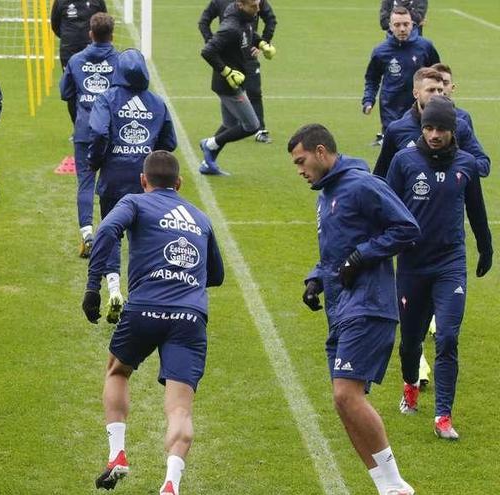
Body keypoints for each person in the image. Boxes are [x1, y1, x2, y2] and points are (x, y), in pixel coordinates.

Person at [83, 151, 224, 495]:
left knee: (117, 370)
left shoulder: (135, 202)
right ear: (179, 183)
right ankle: (171, 484)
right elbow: (216, 275)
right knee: (179, 407)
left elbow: (106, 232)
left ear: (144, 180)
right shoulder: (201, 218)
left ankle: (117, 454)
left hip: (145, 307)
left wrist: (93, 288)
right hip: (190, 317)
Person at [292, 124, 419, 495]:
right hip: (342, 307)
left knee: (347, 395)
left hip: (369, 306)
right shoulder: (326, 193)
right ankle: (385, 486)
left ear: (320, 151)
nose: (299, 170)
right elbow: (337, 249)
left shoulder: (363, 185)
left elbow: (406, 227)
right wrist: (316, 278)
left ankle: (396, 485)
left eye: (301, 161)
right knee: (343, 402)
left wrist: (362, 257)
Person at [385, 96, 492, 440]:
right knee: (411, 342)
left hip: (450, 264)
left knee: (447, 337)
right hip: (413, 265)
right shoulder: (404, 162)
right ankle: (410, 385)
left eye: (441, 129)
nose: (433, 134)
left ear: (453, 131)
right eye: (428, 127)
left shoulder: (466, 165)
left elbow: (476, 210)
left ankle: (443, 415)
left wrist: (486, 249)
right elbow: (386, 209)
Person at [88, 48, 176, 323]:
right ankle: (145, 295)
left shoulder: (107, 98)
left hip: (114, 177)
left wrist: (96, 160)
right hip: (147, 181)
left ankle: (114, 287)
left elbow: (100, 132)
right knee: (146, 237)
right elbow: (169, 143)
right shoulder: (157, 102)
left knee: (111, 232)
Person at [59, 12, 119, 258]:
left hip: (85, 130)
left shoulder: (75, 60)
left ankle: (87, 234)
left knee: (85, 182)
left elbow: (65, 93)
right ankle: (110, 234)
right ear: (112, 34)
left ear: (90, 34)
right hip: (112, 131)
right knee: (111, 182)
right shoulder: (119, 60)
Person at [198, 0, 276, 175]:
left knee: (229, 124)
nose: (258, 10)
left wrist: (263, 44)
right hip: (228, 85)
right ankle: (209, 144)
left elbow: (249, 35)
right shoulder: (230, 28)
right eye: (254, 7)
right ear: (240, 5)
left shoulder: (245, 17)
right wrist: (227, 72)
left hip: (233, 80)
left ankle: (207, 164)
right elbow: (207, 51)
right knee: (252, 125)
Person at [374, 67, 489, 178]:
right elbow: (381, 174)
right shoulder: (397, 129)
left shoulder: (459, 126)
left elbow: (483, 166)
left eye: (440, 90)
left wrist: (454, 163)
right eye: (431, 90)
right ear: (416, 93)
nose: (437, 95)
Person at [363, 6, 439, 146]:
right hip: (390, 109)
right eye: (397, 25)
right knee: (394, 152)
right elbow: (372, 78)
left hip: (419, 109)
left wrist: (439, 97)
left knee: (417, 150)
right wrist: (368, 100)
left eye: (406, 24)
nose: (402, 29)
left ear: (413, 24)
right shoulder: (381, 51)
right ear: (390, 27)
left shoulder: (425, 46)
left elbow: (437, 75)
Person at [50, 0, 108, 123]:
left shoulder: (97, 2)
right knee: (72, 90)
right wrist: (70, 38)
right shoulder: (61, 2)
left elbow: (104, 23)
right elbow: (55, 25)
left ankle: (97, 124)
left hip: (94, 53)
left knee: (95, 88)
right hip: (69, 53)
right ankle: (78, 127)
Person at [431, 63, 474, 131]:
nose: (441, 87)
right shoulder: (412, 118)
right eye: (436, 83)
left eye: (445, 83)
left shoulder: (463, 117)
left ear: (452, 88)